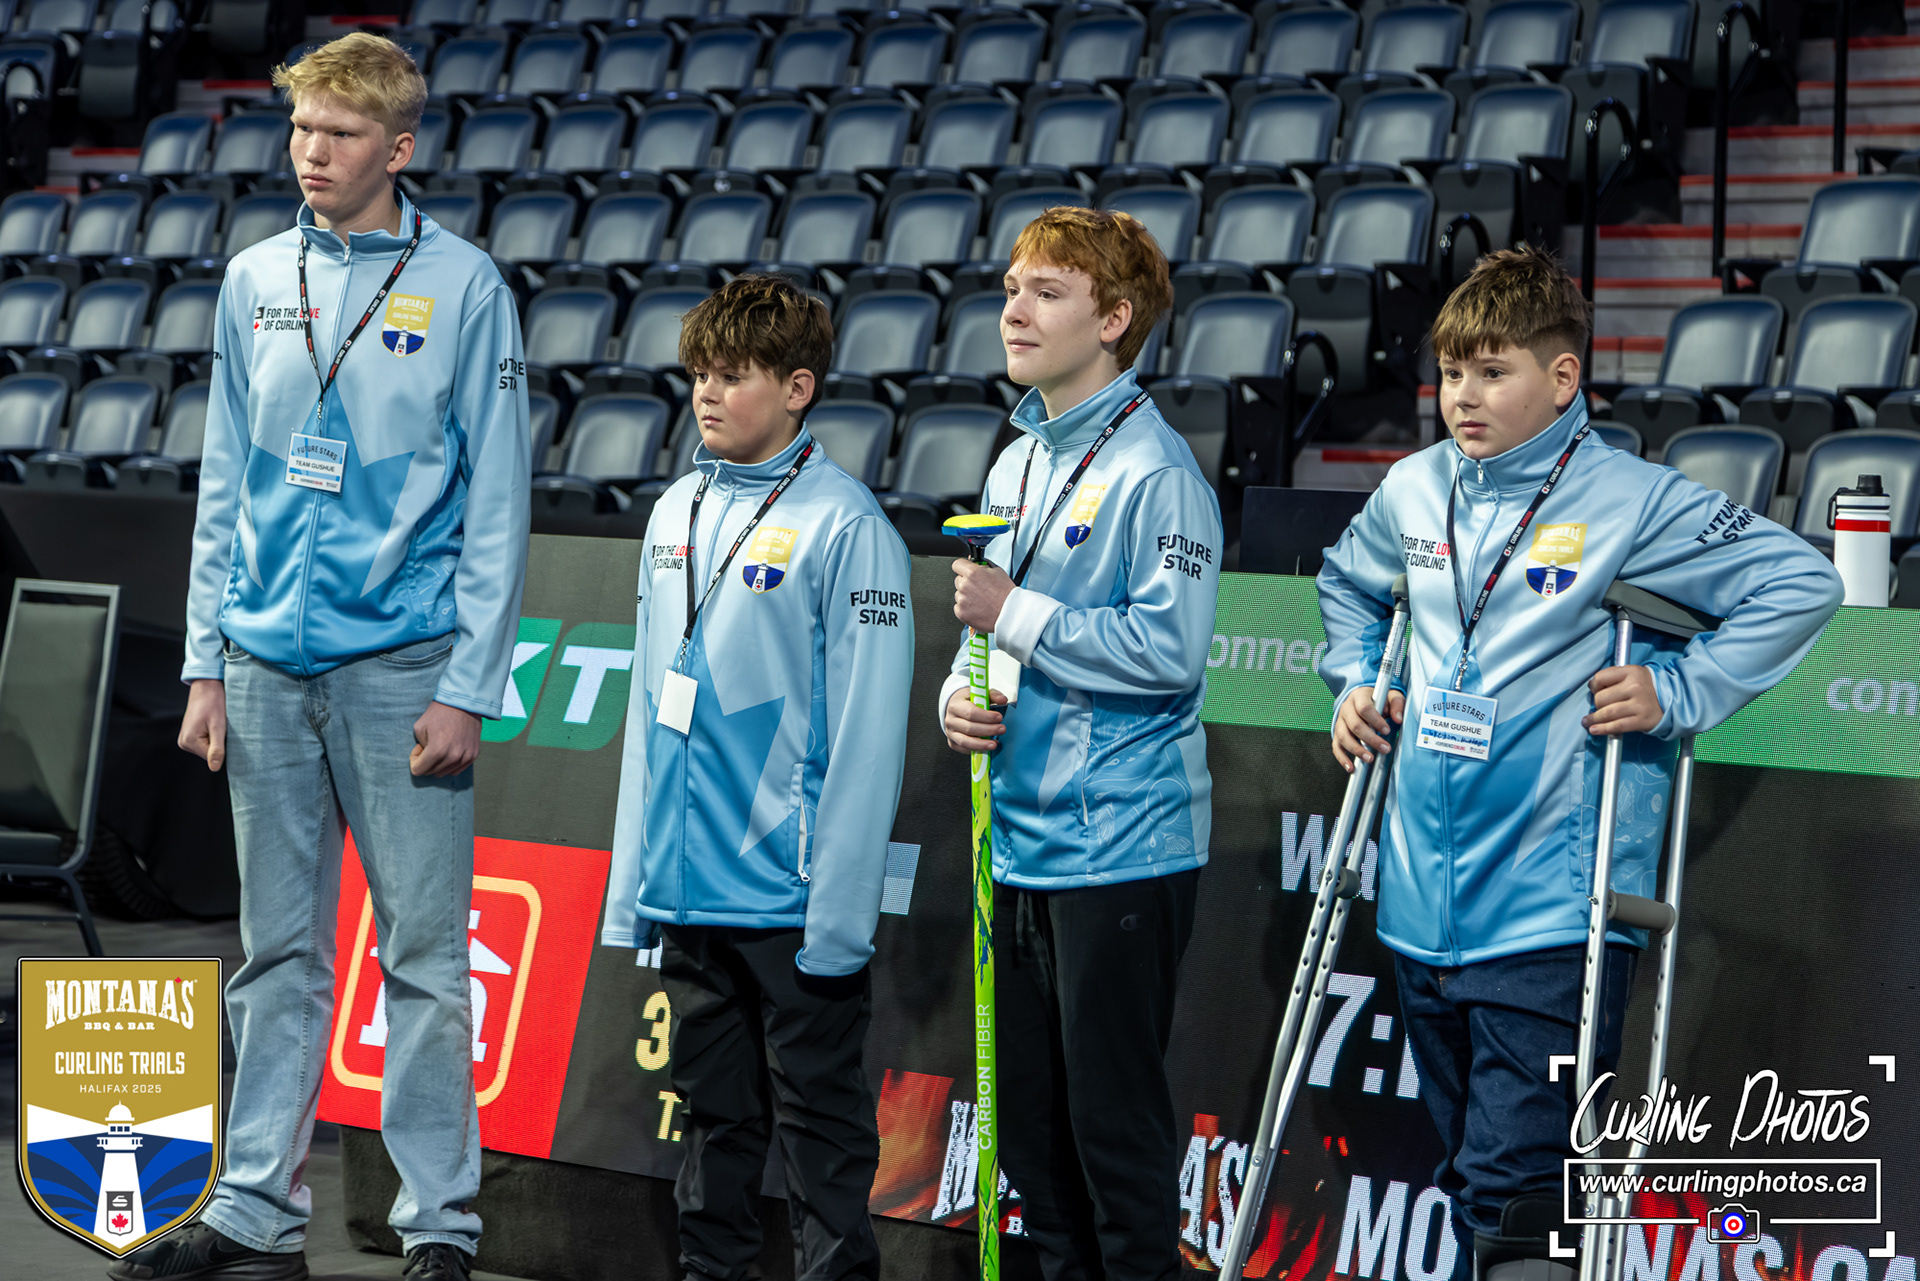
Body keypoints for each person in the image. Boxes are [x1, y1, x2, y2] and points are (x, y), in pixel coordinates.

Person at [1316, 247, 1844, 1277]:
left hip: (1555, 915)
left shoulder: (1633, 499)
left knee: (1518, 1195)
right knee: (1474, 1177)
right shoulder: (1415, 486)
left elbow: (1800, 582)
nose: (1463, 397)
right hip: (1419, 909)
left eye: (1493, 371)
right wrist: (1350, 681)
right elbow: (1345, 583)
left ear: (1563, 378)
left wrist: (1680, 690)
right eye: (1452, 373)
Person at [116, 32, 531, 1281]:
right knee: (276, 953)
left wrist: (470, 686)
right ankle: (257, 1207)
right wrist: (204, 663)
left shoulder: (465, 288)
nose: (311, 151)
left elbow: (498, 505)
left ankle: (439, 1223)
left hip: (402, 670)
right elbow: (227, 482)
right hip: (259, 666)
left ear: (397, 148)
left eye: (340, 134)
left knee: (424, 960)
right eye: (301, 128)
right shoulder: (255, 277)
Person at [603, 274, 914, 1281]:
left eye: (732, 375)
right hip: (690, 892)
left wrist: (840, 914)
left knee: (821, 1131)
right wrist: (635, 887)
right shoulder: (674, 510)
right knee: (713, 1123)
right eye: (699, 373)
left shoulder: (847, 525)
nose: (706, 393)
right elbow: (648, 711)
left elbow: (869, 739)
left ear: (797, 388)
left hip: (793, 897)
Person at [940, 207, 1223, 1281]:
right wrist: (957, 700)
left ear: (1113, 320)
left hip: (1122, 847)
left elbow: (1170, 653)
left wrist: (1011, 613)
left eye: (1047, 292)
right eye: (1013, 287)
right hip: (1016, 842)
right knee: (1034, 1145)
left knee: (1114, 1142)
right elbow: (987, 637)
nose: (1014, 309)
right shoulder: (1017, 463)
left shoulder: (1157, 472)